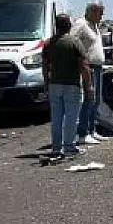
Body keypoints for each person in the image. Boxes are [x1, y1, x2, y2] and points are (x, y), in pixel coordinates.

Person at [42, 14, 93, 159]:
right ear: (69, 25)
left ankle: (56, 148)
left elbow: (45, 66)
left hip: (54, 85)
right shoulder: (75, 42)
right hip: (72, 85)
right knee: (71, 117)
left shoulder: (48, 43)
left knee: (56, 117)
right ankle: (69, 146)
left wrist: (46, 83)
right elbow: (84, 66)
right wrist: (88, 86)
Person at [71, 0, 107, 145]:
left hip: (97, 67)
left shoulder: (95, 26)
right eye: (100, 12)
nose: (102, 16)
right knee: (88, 100)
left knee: (95, 101)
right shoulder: (81, 24)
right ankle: (82, 133)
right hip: (88, 67)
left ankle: (92, 130)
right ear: (92, 11)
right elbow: (72, 42)